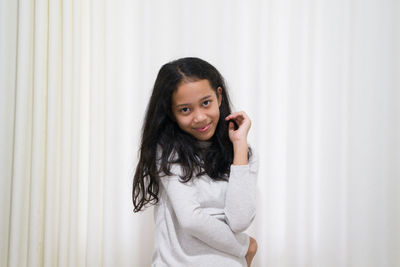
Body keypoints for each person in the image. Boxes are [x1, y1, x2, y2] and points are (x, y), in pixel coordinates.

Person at [132, 57, 258, 267]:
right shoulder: (167, 152)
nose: (199, 117)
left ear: (219, 96)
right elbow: (191, 219)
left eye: (205, 103)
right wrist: (244, 247)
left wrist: (239, 147)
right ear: (171, 112)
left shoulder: (243, 153)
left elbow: (239, 221)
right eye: (185, 110)